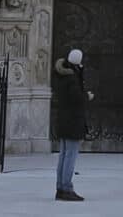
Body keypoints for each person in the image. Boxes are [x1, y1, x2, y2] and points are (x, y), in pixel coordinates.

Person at [50, 47, 90, 201]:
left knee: (64, 154)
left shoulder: (61, 76)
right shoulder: (72, 78)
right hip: (72, 121)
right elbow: (76, 99)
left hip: (64, 120)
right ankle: (66, 187)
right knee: (70, 155)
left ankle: (60, 186)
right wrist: (87, 96)